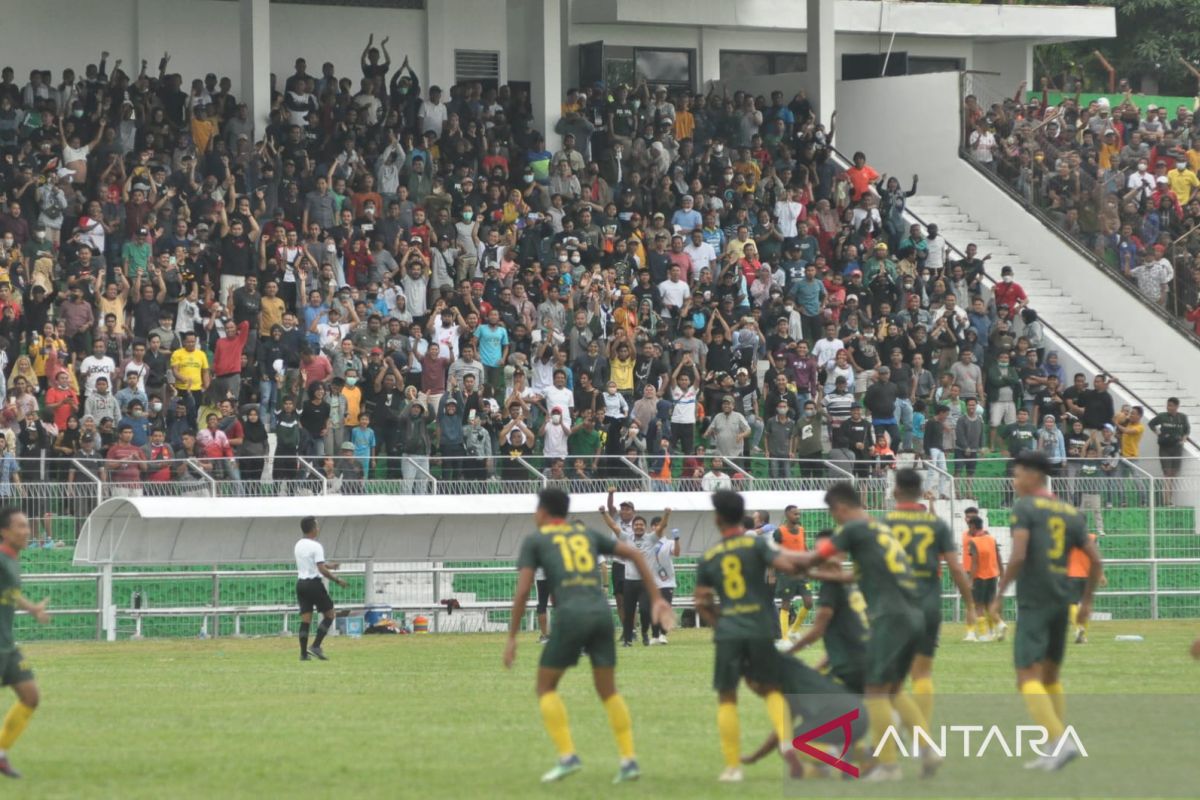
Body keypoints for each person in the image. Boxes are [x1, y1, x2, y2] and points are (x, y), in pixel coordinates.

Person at [502, 488, 671, 784]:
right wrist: (656, 597)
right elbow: (633, 553)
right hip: (601, 615)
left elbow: (523, 591)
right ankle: (629, 759)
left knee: (545, 687)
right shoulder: (587, 536)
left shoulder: (536, 540)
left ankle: (568, 756)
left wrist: (512, 637)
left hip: (571, 615)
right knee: (608, 691)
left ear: (542, 511)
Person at [791, 482, 937, 781]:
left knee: (875, 691)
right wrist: (813, 573)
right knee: (894, 690)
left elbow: (816, 557)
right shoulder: (878, 529)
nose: (836, 521)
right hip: (913, 613)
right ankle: (928, 750)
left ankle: (888, 766)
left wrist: (786, 561)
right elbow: (851, 576)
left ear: (840, 508)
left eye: (834, 515)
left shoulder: (854, 529)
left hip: (890, 614)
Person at [992, 450, 1103, 771]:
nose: (1014, 481)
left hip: (1035, 598)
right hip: (1062, 596)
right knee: (1051, 675)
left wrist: (1000, 593)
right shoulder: (1069, 510)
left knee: (1026, 674)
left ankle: (1059, 740)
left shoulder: (1024, 508)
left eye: (1017, 474)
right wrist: (1087, 602)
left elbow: (1019, 555)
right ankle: (1054, 748)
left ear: (1033, 475)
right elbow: (1095, 559)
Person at [693, 489, 808, 783]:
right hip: (759, 627)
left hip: (730, 629)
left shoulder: (710, 557)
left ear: (718, 519)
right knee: (771, 689)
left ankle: (733, 767)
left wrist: (719, 625)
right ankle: (786, 744)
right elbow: (787, 565)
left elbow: (702, 602)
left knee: (727, 696)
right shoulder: (756, 546)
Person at [883, 469, 975, 728]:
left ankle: (896, 729)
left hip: (895, 605)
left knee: (889, 674)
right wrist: (969, 604)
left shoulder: (886, 524)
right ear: (922, 492)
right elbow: (956, 568)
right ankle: (919, 732)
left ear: (896, 491)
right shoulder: (936, 525)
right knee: (922, 673)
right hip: (928, 604)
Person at [0, 508, 52, 779]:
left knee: (31, 697)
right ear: (4, 532)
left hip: (8, 646)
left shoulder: (12, 560)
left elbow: (11, 593)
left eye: (27, 526)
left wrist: (32, 609)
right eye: (19, 526)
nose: (26, 531)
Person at [786, 529, 869, 695]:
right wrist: (817, 669)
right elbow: (844, 644)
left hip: (851, 670)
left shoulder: (831, 588)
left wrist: (787, 654)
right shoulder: (849, 585)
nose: (826, 557)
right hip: (867, 662)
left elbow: (817, 630)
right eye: (822, 552)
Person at [294, 516, 348, 662]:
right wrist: (337, 580)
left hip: (301, 585)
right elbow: (321, 570)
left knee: (305, 620)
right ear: (312, 529)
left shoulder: (298, 544)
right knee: (330, 615)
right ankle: (316, 646)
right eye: (317, 526)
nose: (318, 528)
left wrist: (329, 565)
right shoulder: (316, 546)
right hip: (314, 584)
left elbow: (313, 564)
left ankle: (303, 654)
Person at [773, 504, 812, 640]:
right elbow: (774, 553)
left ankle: (793, 631)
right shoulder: (779, 532)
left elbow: (804, 548)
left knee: (809, 602)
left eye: (798, 514)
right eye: (795, 514)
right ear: (787, 515)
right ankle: (784, 639)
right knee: (786, 604)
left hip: (801, 573)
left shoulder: (801, 530)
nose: (797, 516)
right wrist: (772, 573)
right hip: (786, 573)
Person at [965, 517, 1005, 642]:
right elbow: (999, 557)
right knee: (990, 604)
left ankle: (983, 635)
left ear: (973, 527)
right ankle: (1000, 624)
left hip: (980, 577)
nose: (969, 529)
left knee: (979, 606)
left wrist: (970, 580)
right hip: (992, 575)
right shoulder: (992, 539)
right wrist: (1002, 574)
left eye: (969, 526)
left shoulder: (973, 541)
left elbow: (975, 563)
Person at [1147, 397, 1190, 506]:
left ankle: (1169, 499)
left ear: (1176, 407)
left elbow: (1187, 430)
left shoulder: (1182, 417)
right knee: (1167, 473)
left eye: (1171, 405)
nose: (1168, 407)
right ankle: (1166, 500)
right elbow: (1151, 424)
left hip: (1176, 447)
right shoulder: (1162, 416)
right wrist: (1158, 433)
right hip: (1165, 447)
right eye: (1168, 405)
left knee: (1173, 474)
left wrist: (1183, 440)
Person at [1067, 531, 1104, 645]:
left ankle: (1078, 627)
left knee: (1071, 604)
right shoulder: (1092, 538)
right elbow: (1095, 557)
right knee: (1085, 604)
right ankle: (1084, 636)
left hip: (1071, 574)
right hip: (1088, 576)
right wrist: (1100, 574)